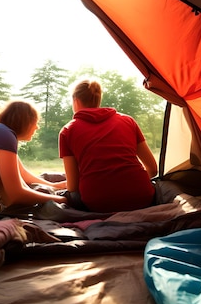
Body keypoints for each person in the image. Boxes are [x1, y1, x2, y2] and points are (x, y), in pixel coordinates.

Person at [58, 79, 158, 212]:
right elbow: (152, 168)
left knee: (70, 196)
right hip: (143, 197)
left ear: (75, 101)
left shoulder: (67, 131)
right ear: (98, 99)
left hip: (97, 204)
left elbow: (73, 186)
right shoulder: (128, 121)